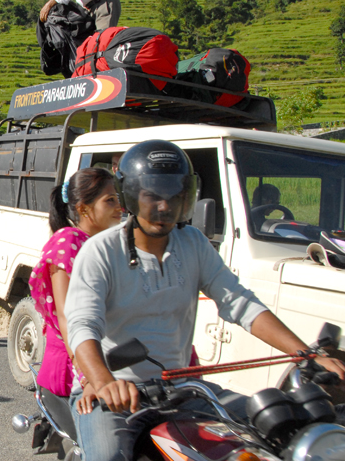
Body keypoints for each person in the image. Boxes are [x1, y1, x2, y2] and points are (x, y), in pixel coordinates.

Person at [64, 140, 345, 461]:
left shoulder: (192, 242)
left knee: (279, 427)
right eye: (152, 194)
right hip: (115, 394)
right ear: (131, 196)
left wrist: (306, 353)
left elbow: (241, 303)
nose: (164, 205)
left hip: (182, 390)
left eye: (174, 194)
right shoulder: (100, 250)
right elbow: (83, 325)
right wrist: (104, 382)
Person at [28, 168, 121, 400]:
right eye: (110, 200)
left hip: (105, 360)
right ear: (83, 209)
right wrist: (88, 376)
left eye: (118, 199)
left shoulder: (107, 242)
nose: (119, 207)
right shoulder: (69, 242)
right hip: (74, 368)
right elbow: (67, 316)